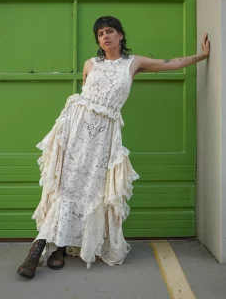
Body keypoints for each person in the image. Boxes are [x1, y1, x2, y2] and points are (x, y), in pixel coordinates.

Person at [17, 16, 210, 279]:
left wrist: (202, 56)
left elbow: (172, 64)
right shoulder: (90, 64)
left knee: (92, 188)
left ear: (120, 35)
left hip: (105, 135)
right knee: (66, 185)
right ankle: (42, 249)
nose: (104, 36)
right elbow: (84, 98)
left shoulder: (134, 63)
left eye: (109, 31)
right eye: (99, 34)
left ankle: (62, 246)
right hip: (75, 128)